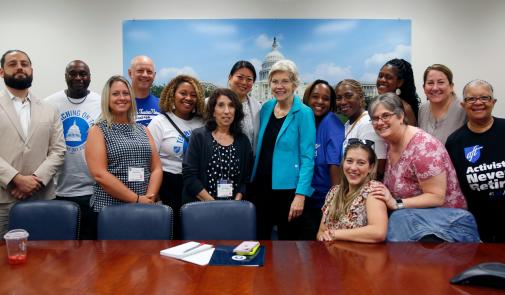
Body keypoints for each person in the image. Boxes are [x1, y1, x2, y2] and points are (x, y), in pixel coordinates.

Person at [369, 93, 479, 242]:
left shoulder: (424, 147)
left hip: (445, 229)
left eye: (386, 116)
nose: (380, 122)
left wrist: (396, 204)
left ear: (400, 116)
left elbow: (436, 197)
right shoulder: (390, 142)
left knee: (397, 219)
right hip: (414, 225)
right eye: (375, 119)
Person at [0, 50, 65, 235]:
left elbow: (59, 150)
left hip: (42, 197)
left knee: (45, 258)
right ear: (2, 72)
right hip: (4, 200)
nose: (20, 67)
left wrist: (35, 181)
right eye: (13, 64)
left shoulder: (49, 109)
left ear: (31, 70)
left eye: (24, 64)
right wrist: (16, 180)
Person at [250, 60, 316, 240]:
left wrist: (300, 195)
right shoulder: (266, 107)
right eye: (275, 81)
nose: (279, 86)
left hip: (288, 191)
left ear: (294, 84)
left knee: (287, 242)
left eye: (285, 81)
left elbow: (307, 158)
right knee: (260, 238)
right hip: (261, 186)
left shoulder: (304, 113)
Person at [85, 75, 162, 214]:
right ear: (107, 99)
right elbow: (99, 174)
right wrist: (136, 199)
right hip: (110, 210)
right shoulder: (97, 130)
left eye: (126, 93)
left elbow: (156, 168)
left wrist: (149, 199)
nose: (122, 98)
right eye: (115, 94)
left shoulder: (143, 130)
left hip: (145, 207)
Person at [45, 60, 101, 239]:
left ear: (90, 77)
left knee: (91, 246)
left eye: (83, 74)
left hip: (93, 191)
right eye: (73, 73)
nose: (78, 77)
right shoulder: (49, 103)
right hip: (57, 190)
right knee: (61, 249)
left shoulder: (101, 102)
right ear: (65, 76)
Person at [446, 80, 505, 242]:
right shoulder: (455, 142)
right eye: (471, 99)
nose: (478, 103)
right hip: (477, 228)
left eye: (484, 98)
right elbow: (454, 187)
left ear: (493, 102)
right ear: (463, 104)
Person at [148, 75, 205, 237]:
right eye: (183, 93)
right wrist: (155, 194)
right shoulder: (159, 122)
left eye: (193, 95)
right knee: (172, 232)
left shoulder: (202, 122)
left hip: (195, 185)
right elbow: (150, 162)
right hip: (168, 185)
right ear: (173, 94)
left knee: (194, 231)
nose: (188, 98)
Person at [182, 88, 252, 203]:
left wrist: (236, 202)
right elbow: (190, 176)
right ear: (213, 111)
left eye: (231, 106)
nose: (227, 111)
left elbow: (246, 179)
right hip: (203, 208)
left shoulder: (243, 141)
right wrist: (214, 205)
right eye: (221, 105)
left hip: (233, 208)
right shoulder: (198, 137)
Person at [317, 139, 388, 242]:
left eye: (361, 163)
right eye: (349, 161)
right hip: (332, 255)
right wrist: (323, 236)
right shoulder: (333, 192)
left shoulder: (373, 190)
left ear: (371, 168)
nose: (353, 168)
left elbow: (378, 232)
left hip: (360, 256)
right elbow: (321, 232)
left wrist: (335, 234)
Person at [300, 79, 345, 239]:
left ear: (331, 103)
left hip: (323, 205)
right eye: (315, 97)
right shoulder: (310, 121)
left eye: (326, 99)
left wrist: (334, 204)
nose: (320, 102)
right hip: (308, 200)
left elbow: (334, 164)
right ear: (307, 98)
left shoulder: (331, 123)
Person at [335, 79, 387, 178]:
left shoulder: (368, 123)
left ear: (361, 97)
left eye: (348, 96)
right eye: (338, 98)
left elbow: (378, 167)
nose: (343, 102)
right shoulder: (349, 123)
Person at [418, 64, 465, 144]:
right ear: (424, 87)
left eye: (440, 82)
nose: (435, 88)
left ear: (451, 86)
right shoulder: (422, 108)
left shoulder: (464, 109)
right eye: (430, 83)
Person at [227, 61, 261, 153]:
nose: (244, 82)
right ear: (230, 78)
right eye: (240, 77)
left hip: (248, 162)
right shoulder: (212, 103)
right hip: (219, 162)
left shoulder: (258, 107)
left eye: (249, 79)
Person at [376, 58, 419, 126]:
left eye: (388, 77)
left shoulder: (405, 109)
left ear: (400, 82)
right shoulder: (377, 104)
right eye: (380, 76)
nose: (382, 80)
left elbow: (412, 136)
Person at [128, 55, 159, 126]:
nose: (145, 75)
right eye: (140, 71)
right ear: (130, 73)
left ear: (154, 76)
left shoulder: (163, 106)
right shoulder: (119, 104)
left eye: (149, 72)